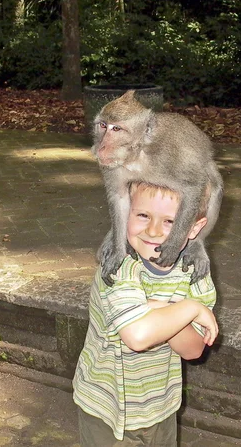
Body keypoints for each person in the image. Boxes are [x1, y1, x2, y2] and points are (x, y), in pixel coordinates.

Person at [73, 181, 219, 446]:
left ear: (194, 227)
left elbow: (193, 350)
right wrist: (189, 309)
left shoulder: (193, 271)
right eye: (143, 215)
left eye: (170, 221)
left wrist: (158, 308)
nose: (153, 230)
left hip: (160, 407)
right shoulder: (119, 265)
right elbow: (138, 335)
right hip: (105, 408)